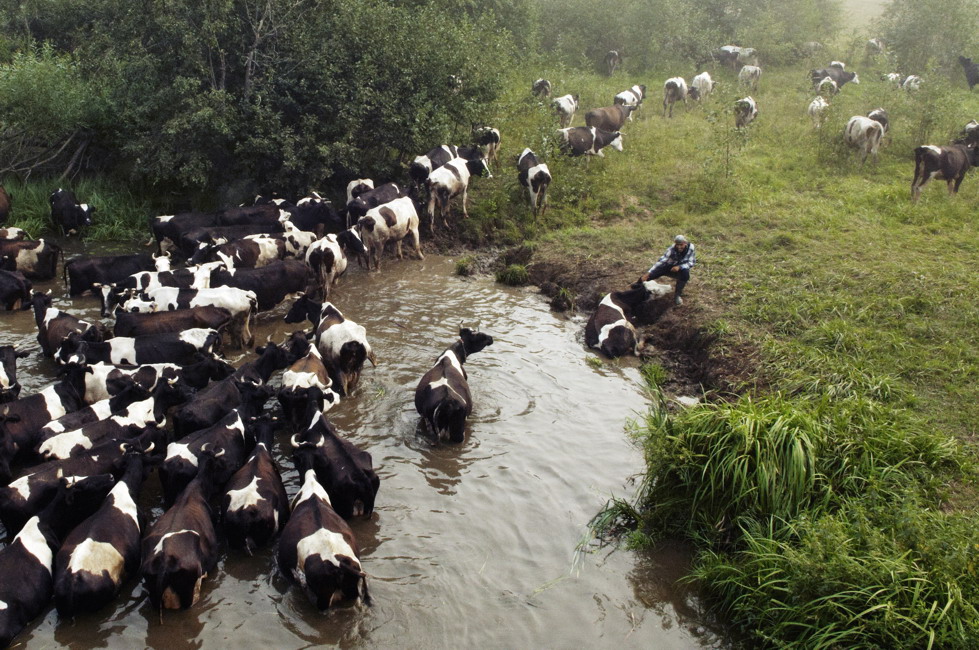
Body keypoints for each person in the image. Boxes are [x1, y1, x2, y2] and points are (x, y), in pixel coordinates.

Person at [640, 235, 696, 306]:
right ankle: (638, 286)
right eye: (677, 245)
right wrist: (648, 273)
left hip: (680, 269)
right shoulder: (671, 249)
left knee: (685, 275)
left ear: (685, 243)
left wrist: (679, 267)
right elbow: (662, 261)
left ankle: (677, 295)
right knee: (649, 275)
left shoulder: (690, 248)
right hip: (668, 266)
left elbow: (691, 262)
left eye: (681, 245)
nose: (679, 247)